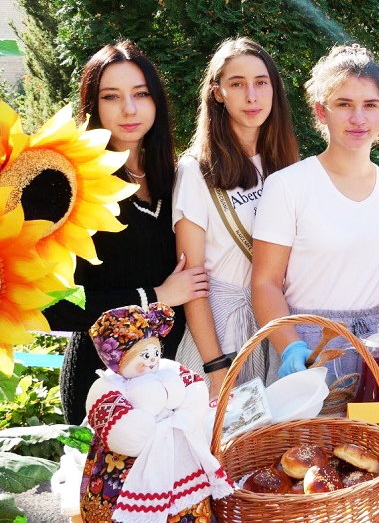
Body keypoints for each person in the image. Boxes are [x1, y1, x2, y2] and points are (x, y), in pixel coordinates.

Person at [42, 41, 208, 425]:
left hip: (170, 378)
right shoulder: (71, 189)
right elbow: (52, 306)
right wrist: (154, 297)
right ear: (93, 105)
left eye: (141, 94)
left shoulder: (176, 178)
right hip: (104, 386)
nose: (129, 109)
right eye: (111, 96)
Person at [251, 44, 379, 383]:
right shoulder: (287, 185)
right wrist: (292, 349)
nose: (358, 118)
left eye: (370, 105)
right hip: (309, 350)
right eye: (344, 104)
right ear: (321, 111)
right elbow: (265, 283)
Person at [173, 37, 299, 397]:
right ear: (217, 93)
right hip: (219, 334)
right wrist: (215, 369)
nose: (252, 96)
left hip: (273, 328)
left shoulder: (287, 166)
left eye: (261, 83)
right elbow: (192, 282)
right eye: (237, 84)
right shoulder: (196, 170)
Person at [83, 303, 233, 522]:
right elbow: (126, 436)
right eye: (143, 355)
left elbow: (195, 388)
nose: (152, 359)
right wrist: (151, 413)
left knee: (187, 505)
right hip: (126, 465)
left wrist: (185, 408)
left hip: (176, 452)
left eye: (155, 351)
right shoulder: (108, 387)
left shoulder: (168, 370)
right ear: (118, 359)